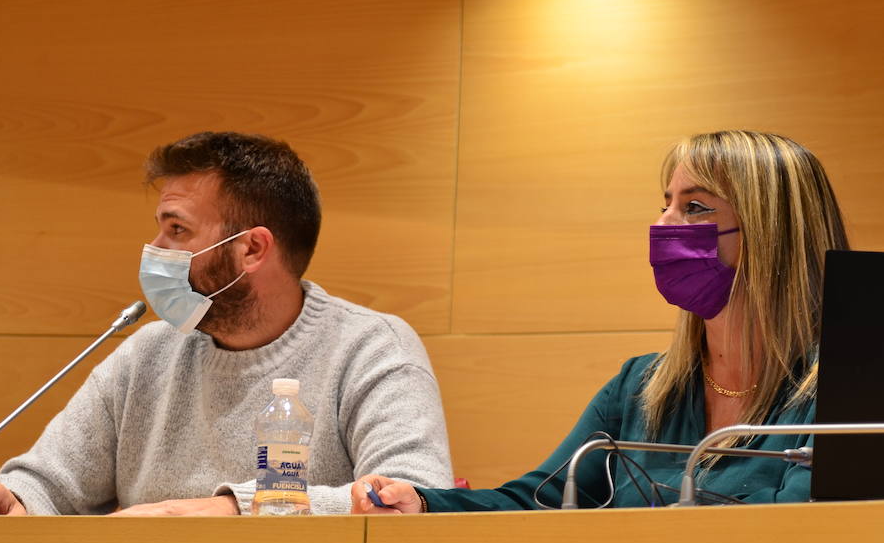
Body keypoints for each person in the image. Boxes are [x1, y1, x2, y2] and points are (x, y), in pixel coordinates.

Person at [0, 131, 453, 516]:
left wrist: (219, 511)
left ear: (251, 248)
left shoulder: (370, 349)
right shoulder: (148, 353)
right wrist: (11, 498)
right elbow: (52, 483)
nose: (154, 250)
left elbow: (411, 497)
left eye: (177, 230)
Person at [353, 129, 850, 512]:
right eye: (664, 205)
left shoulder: (842, 390)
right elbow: (536, 502)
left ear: (770, 233)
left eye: (694, 207)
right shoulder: (639, 388)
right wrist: (421, 502)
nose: (662, 226)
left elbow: (798, 535)